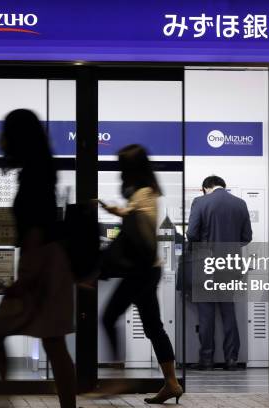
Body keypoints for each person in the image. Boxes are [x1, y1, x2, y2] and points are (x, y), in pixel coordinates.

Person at [0, 109, 76, 408]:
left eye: (5, 132)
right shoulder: (40, 171)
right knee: (54, 343)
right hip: (49, 266)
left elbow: (35, 231)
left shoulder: (34, 175)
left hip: (41, 267)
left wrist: (24, 279)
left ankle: (4, 401)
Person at [100, 144, 183, 404]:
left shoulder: (144, 192)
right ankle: (171, 383)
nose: (120, 171)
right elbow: (137, 217)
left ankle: (117, 378)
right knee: (154, 327)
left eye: (123, 166)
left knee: (109, 317)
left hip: (142, 271)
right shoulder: (146, 192)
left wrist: (121, 212)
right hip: (148, 270)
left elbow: (140, 224)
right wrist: (120, 211)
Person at [186, 175, 252, 371]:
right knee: (228, 312)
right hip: (230, 265)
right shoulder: (240, 203)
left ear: (206, 188)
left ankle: (206, 360)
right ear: (223, 186)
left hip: (205, 266)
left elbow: (191, 234)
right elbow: (247, 237)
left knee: (206, 315)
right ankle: (231, 359)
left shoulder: (200, 202)